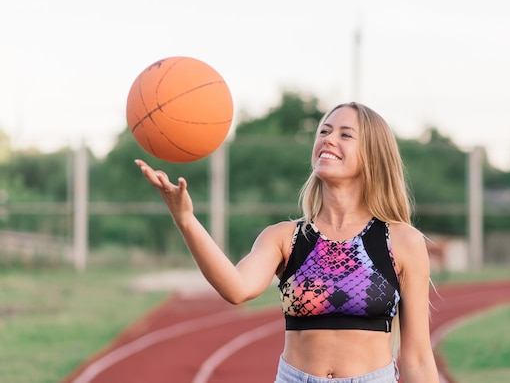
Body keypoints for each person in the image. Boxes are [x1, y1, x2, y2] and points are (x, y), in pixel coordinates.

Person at [135, 102, 440, 382]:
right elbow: (236, 288)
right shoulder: (284, 237)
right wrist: (186, 220)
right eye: (324, 131)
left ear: (373, 155)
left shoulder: (402, 241)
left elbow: (417, 358)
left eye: (345, 135)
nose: (329, 139)